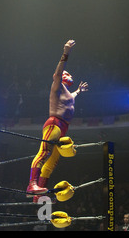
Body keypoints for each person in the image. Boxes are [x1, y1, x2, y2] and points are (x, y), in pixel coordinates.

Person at [26, 39, 89, 197]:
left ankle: (40, 193)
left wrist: (79, 91)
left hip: (62, 129)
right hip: (54, 124)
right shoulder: (57, 85)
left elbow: (72, 96)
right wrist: (65, 53)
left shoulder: (68, 93)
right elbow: (57, 73)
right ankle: (31, 184)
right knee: (44, 153)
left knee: (52, 161)